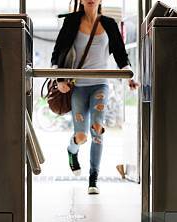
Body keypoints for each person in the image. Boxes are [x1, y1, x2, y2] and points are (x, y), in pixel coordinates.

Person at [51, 0, 139, 195]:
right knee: (81, 136)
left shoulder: (109, 23)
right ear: (80, 1)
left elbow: (120, 54)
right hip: (78, 87)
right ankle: (72, 150)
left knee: (97, 130)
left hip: (101, 85)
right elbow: (58, 52)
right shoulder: (72, 22)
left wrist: (128, 76)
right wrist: (59, 80)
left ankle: (93, 178)